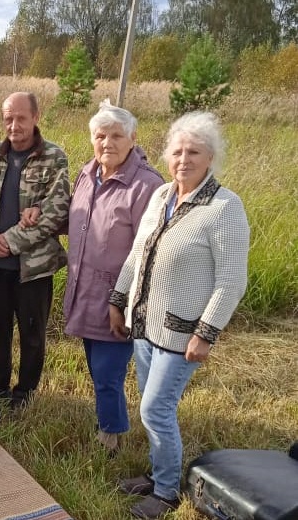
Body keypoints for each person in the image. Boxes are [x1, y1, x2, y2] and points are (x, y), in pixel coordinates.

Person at [110, 112, 249, 519]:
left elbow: (231, 280)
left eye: (194, 151)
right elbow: (137, 253)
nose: (184, 159)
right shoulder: (161, 196)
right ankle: (157, 475)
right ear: (167, 156)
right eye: (177, 151)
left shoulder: (225, 207)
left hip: (181, 334)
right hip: (144, 326)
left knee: (156, 409)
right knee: (150, 406)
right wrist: (118, 300)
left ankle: (167, 491)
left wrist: (206, 333)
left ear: (210, 158)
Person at [29, 101, 164, 447]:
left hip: (117, 297)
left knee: (107, 373)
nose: (108, 143)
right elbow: (80, 222)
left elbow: (149, 251)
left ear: (133, 138)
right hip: (85, 291)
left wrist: (124, 301)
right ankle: (109, 423)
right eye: (100, 136)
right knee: (97, 368)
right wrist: (40, 215)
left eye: (117, 135)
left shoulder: (145, 186)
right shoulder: (88, 173)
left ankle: (110, 437)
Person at [0, 92, 70, 410]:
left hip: (34, 268)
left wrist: (10, 241)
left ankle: (24, 391)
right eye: (8, 118)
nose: (14, 125)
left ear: (35, 117)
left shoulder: (54, 157)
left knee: (32, 333)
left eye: (21, 118)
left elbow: (56, 211)